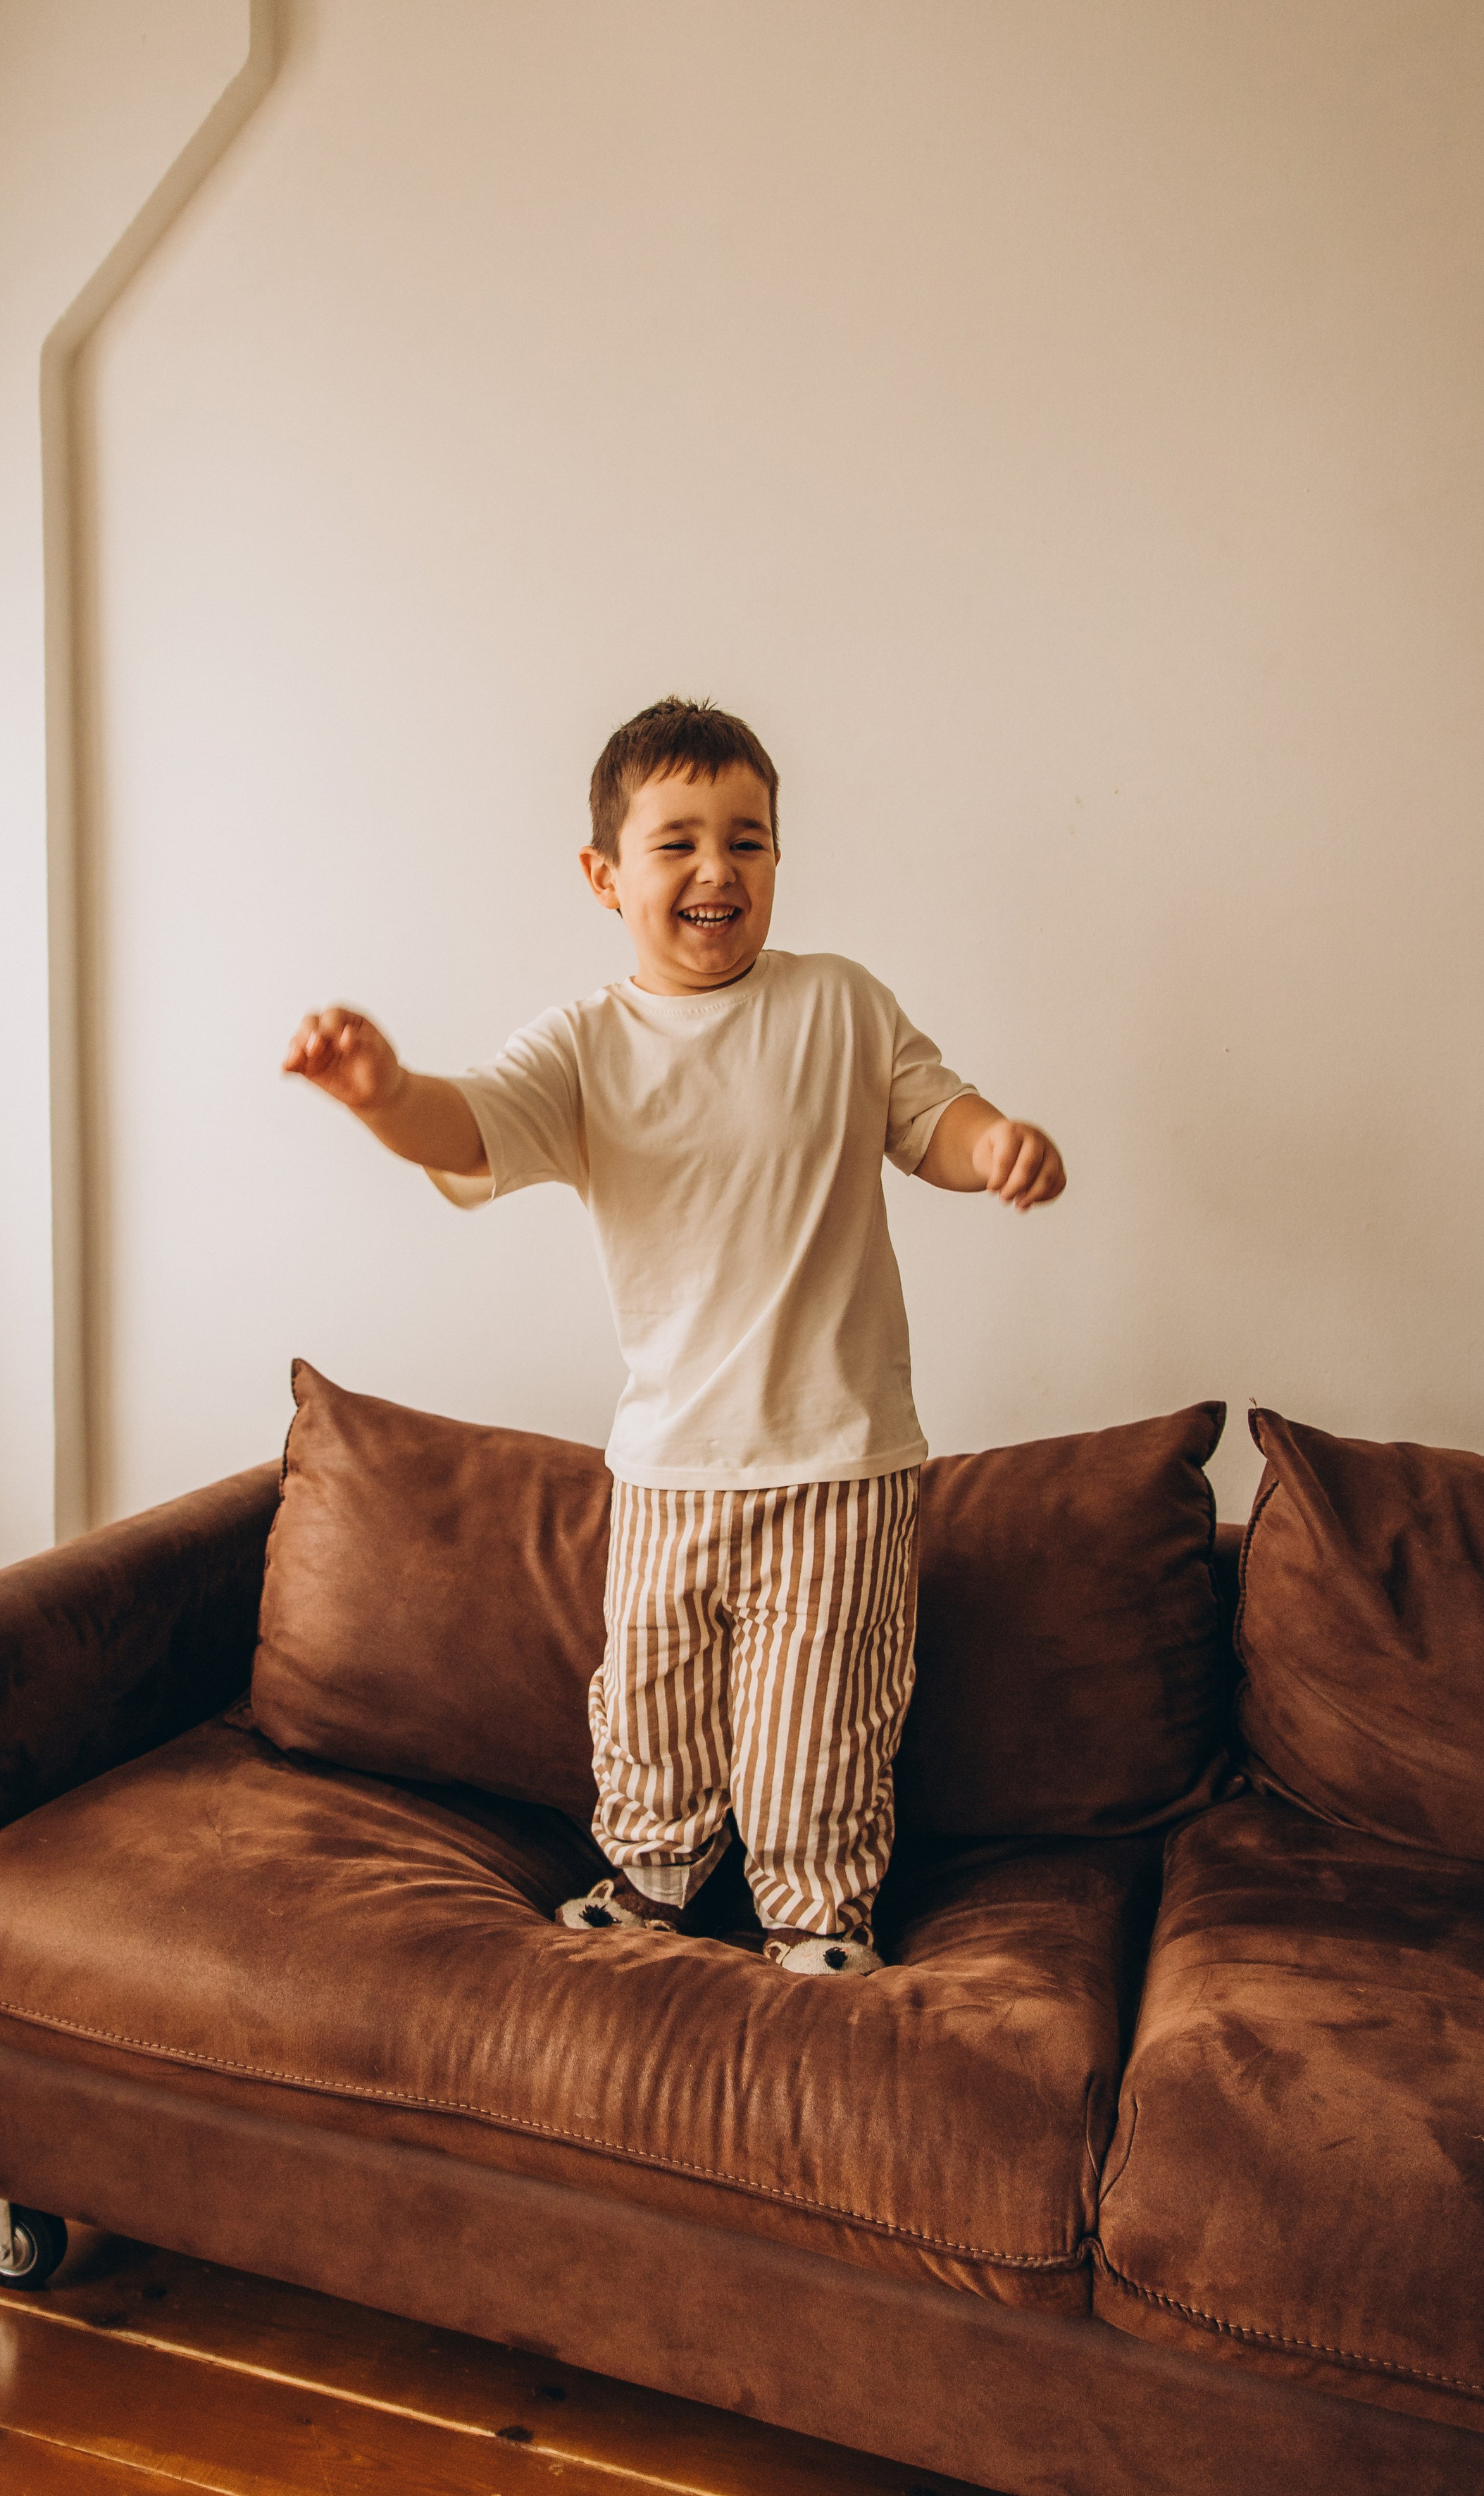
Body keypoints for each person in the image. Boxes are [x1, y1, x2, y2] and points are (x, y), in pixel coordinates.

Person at [282, 697, 1065, 1976]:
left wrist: (1001, 1149)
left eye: (748, 841)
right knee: (649, 1711)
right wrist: (383, 1096)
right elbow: (467, 1124)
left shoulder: (841, 1007)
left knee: (814, 1724)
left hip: (838, 1462)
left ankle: (815, 1912)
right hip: (664, 1469)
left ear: (776, 862)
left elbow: (941, 1121)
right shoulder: (587, 1046)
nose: (718, 870)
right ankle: (653, 1877)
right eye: (679, 843)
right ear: (605, 875)